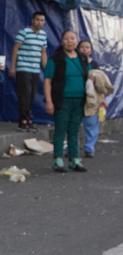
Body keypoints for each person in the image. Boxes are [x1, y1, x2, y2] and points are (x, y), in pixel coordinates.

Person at [43, 30, 89, 173]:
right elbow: (47, 81)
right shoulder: (55, 59)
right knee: (60, 130)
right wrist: (49, 101)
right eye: (67, 39)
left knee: (74, 130)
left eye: (73, 38)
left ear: (77, 41)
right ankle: (58, 160)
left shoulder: (83, 58)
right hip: (61, 101)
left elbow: (90, 76)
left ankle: (74, 160)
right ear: (62, 41)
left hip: (79, 101)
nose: (70, 41)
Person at [9, 12, 48, 132]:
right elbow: (15, 49)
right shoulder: (24, 32)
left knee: (31, 95)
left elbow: (43, 53)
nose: (39, 22)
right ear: (32, 20)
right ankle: (23, 121)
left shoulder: (43, 35)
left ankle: (28, 120)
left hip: (35, 70)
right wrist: (12, 67)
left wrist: (46, 70)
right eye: (37, 20)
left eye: (42, 20)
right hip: (23, 68)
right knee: (24, 95)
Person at [77, 40, 100, 158]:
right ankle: (73, 147)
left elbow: (101, 82)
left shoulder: (95, 64)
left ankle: (89, 147)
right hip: (76, 96)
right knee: (73, 123)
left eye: (87, 47)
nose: (85, 49)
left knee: (91, 123)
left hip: (91, 98)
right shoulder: (74, 62)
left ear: (91, 50)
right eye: (82, 47)